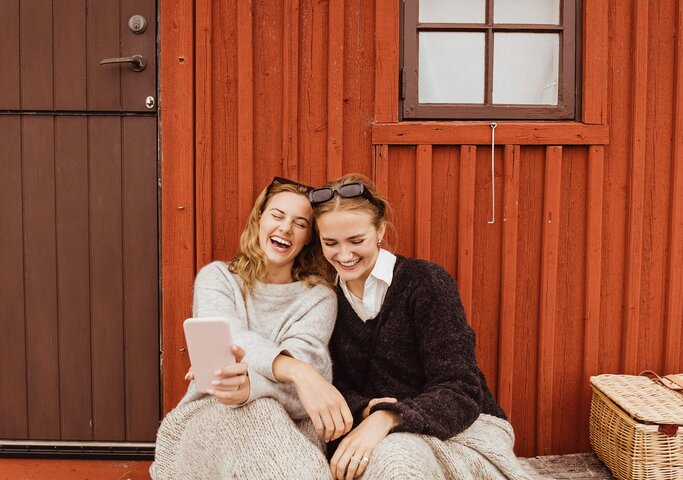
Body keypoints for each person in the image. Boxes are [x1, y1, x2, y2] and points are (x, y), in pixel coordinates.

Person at [310, 174, 530, 480]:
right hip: (375, 435)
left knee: (397, 459)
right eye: (330, 243)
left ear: (380, 231)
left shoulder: (425, 282)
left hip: (460, 429)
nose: (344, 255)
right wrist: (365, 411)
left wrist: (387, 418)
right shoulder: (324, 300)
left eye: (356, 241)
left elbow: (461, 389)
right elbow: (335, 386)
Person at [151, 177, 353, 480]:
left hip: (292, 430)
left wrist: (251, 388)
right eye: (277, 215)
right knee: (260, 414)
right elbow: (229, 335)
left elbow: (303, 391)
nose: (286, 228)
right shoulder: (217, 279)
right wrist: (298, 372)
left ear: (309, 238)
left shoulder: (318, 297)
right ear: (259, 220)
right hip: (211, 415)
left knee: (264, 412)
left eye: (300, 223)